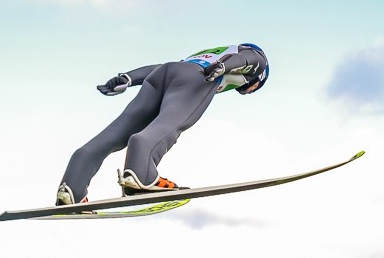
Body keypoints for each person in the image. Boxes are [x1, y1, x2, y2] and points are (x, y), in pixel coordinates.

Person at [55, 43, 269, 205]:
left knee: (117, 131)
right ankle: (141, 175)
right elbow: (249, 59)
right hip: (197, 78)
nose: (247, 92)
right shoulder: (255, 59)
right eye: (253, 89)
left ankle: (72, 187)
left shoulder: (207, 54)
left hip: (164, 74)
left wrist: (128, 78)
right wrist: (224, 67)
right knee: (169, 124)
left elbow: (161, 68)